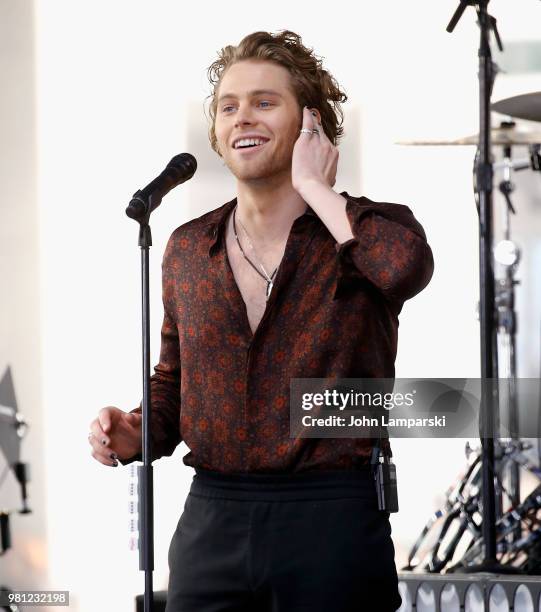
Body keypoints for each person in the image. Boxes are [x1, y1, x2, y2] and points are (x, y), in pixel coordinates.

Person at [88, 30, 433, 612]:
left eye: (265, 102)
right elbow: (176, 383)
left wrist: (314, 189)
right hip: (211, 522)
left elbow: (403, 271)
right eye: (229, 106)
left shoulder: (368, 229)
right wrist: (135, 430)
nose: (242, 116)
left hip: (331, 519)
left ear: (311, 124)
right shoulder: (188, 247)